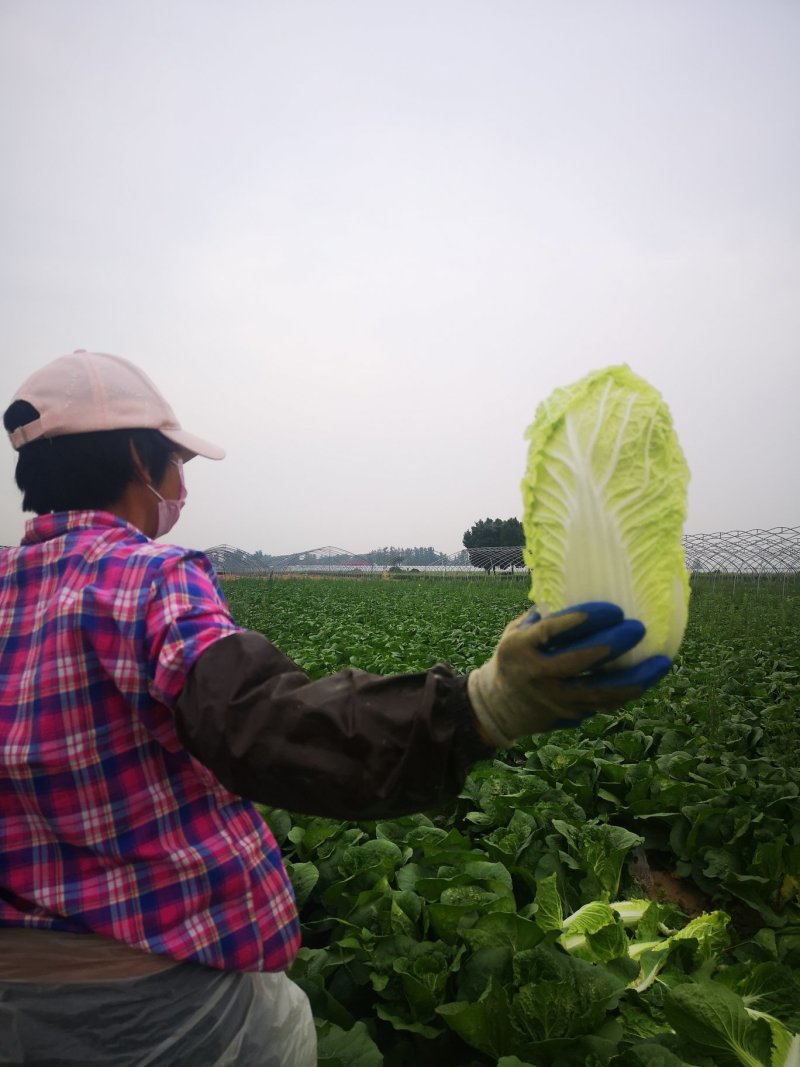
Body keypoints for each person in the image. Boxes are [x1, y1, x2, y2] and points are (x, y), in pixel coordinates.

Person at [0, 351, 671, 1066]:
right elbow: (258, 721)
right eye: (174, 460)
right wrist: (481, 706)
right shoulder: (151, 578)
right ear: (138, 457)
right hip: (157, 992)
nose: (182, 482)